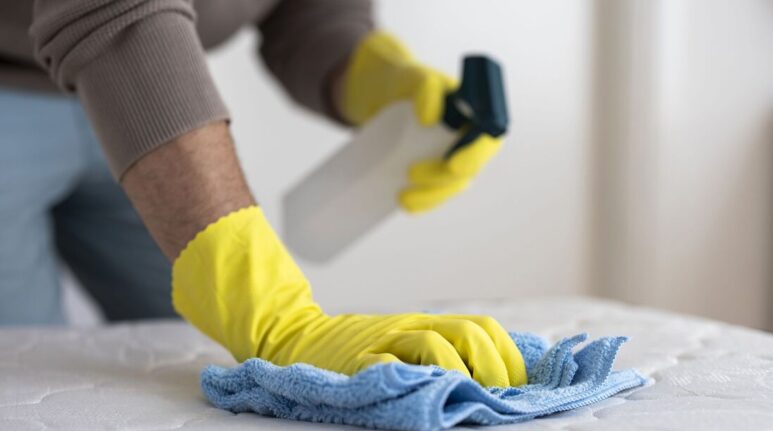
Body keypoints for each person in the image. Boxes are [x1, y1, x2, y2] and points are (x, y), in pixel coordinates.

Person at [0, 0, 523, 387]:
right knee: (23, 367)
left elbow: (303, 13)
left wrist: (376, 77)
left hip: (132, 98)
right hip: (62, 87)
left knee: (183, 352)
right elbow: (109, 11)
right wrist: (275, 317)